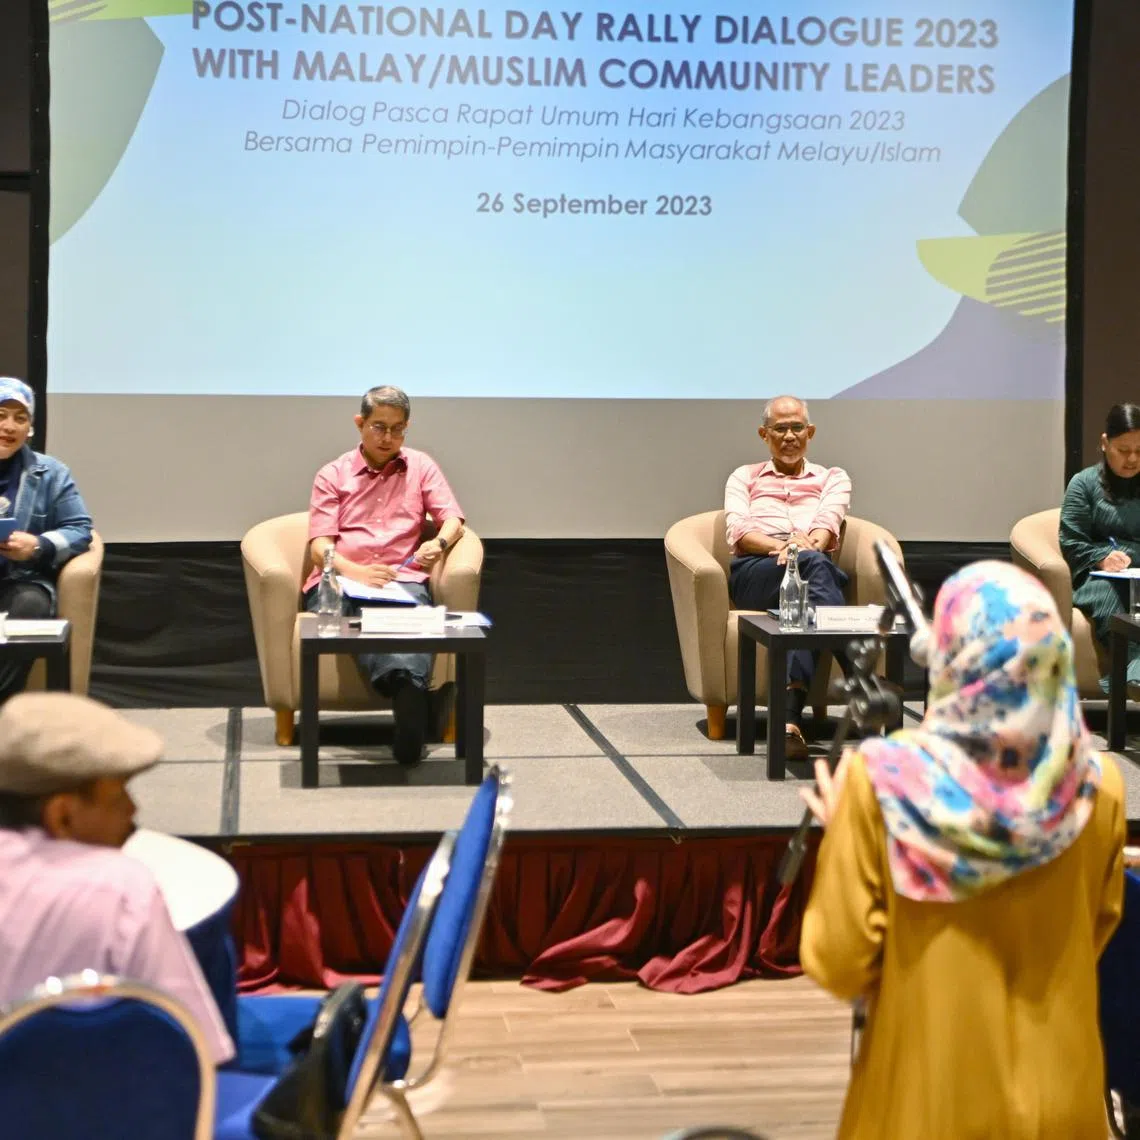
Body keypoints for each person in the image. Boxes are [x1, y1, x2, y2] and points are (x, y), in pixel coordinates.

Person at [800, 561, 1125, 1140]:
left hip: (927, 1106)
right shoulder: (1098, 786)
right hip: (1066, 1103)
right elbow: (1096, 927)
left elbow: (839, 959)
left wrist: (844, 833)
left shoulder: (880, 784)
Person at [0, 692, 235, 1064]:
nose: (133, 808)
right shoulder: (120, 888)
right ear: (62, 815)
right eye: (117, 795)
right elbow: (194, 1044)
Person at [306, 385, 465, 764]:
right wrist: (356, 571)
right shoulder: (332, 474)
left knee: (411, 614)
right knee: (362, 612)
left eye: (398, 429)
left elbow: (452, 519)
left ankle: (406, 692)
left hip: (401, 579)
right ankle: (410, 692)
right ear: (360, 424)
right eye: (379, 427)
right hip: (344, 580)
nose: (388, 438)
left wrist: (438, 545)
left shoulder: (421, 466)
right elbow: (319, 547)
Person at [724, 395, 852, 759]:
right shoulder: (744, 477)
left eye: (797, 428)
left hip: (810, 567)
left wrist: (805, 548)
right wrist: (788, 550)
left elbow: (828, 522)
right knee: (816, 566)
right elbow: (739, 532)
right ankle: (859, 677)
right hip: (757, 571)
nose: (790, 436)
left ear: (810, 432)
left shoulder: (833, 478)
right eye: (780, 429)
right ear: (764, 435)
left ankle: (788, 719)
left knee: (809, 593)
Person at [0, 378, 93, 703]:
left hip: (19, 582)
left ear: (30, 428)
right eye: (1, 415)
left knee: (30, 604)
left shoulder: (51, 473)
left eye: (20, 418)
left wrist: (38, 545)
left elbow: (80, 529)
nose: (9, 426)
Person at [1060, 401, 1140, 692]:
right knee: (1113, 598)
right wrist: (1101, 558)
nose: (1132, 459)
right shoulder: (1083, 484)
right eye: (1124, 450)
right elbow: (1071, 542)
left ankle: (1132, 678)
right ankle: (1132, 678)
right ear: (1105, 443)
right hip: (1098, 579)